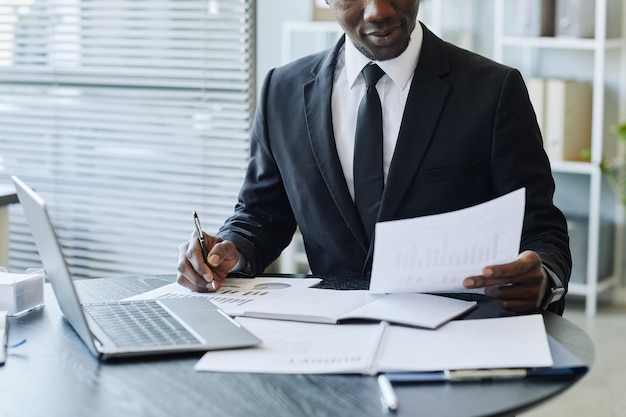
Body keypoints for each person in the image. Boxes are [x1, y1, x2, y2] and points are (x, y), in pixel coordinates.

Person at [177, 0, 571, 315]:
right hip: (329, 338)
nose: (378, 10)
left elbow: (540, 226)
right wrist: (228, 249)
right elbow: (261, 215)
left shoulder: (494, 90)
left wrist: (545, 276)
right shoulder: (282, 90)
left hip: (458, 336)